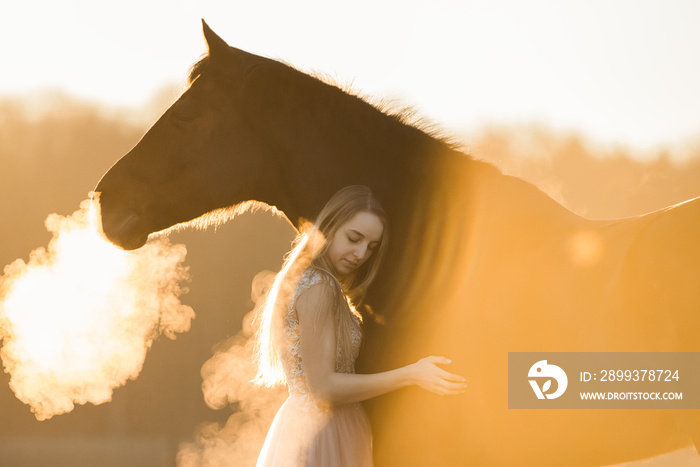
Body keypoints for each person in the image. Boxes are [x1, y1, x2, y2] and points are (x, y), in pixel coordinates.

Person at [254, 185, 467, 467]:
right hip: (323, 433)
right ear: (328, 227)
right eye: (354, 238)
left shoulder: (315, 282)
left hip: (325, 428)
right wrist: (411, 374)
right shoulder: (320, 285)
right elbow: (324, 388)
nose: (361, 253)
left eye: (371, 246)